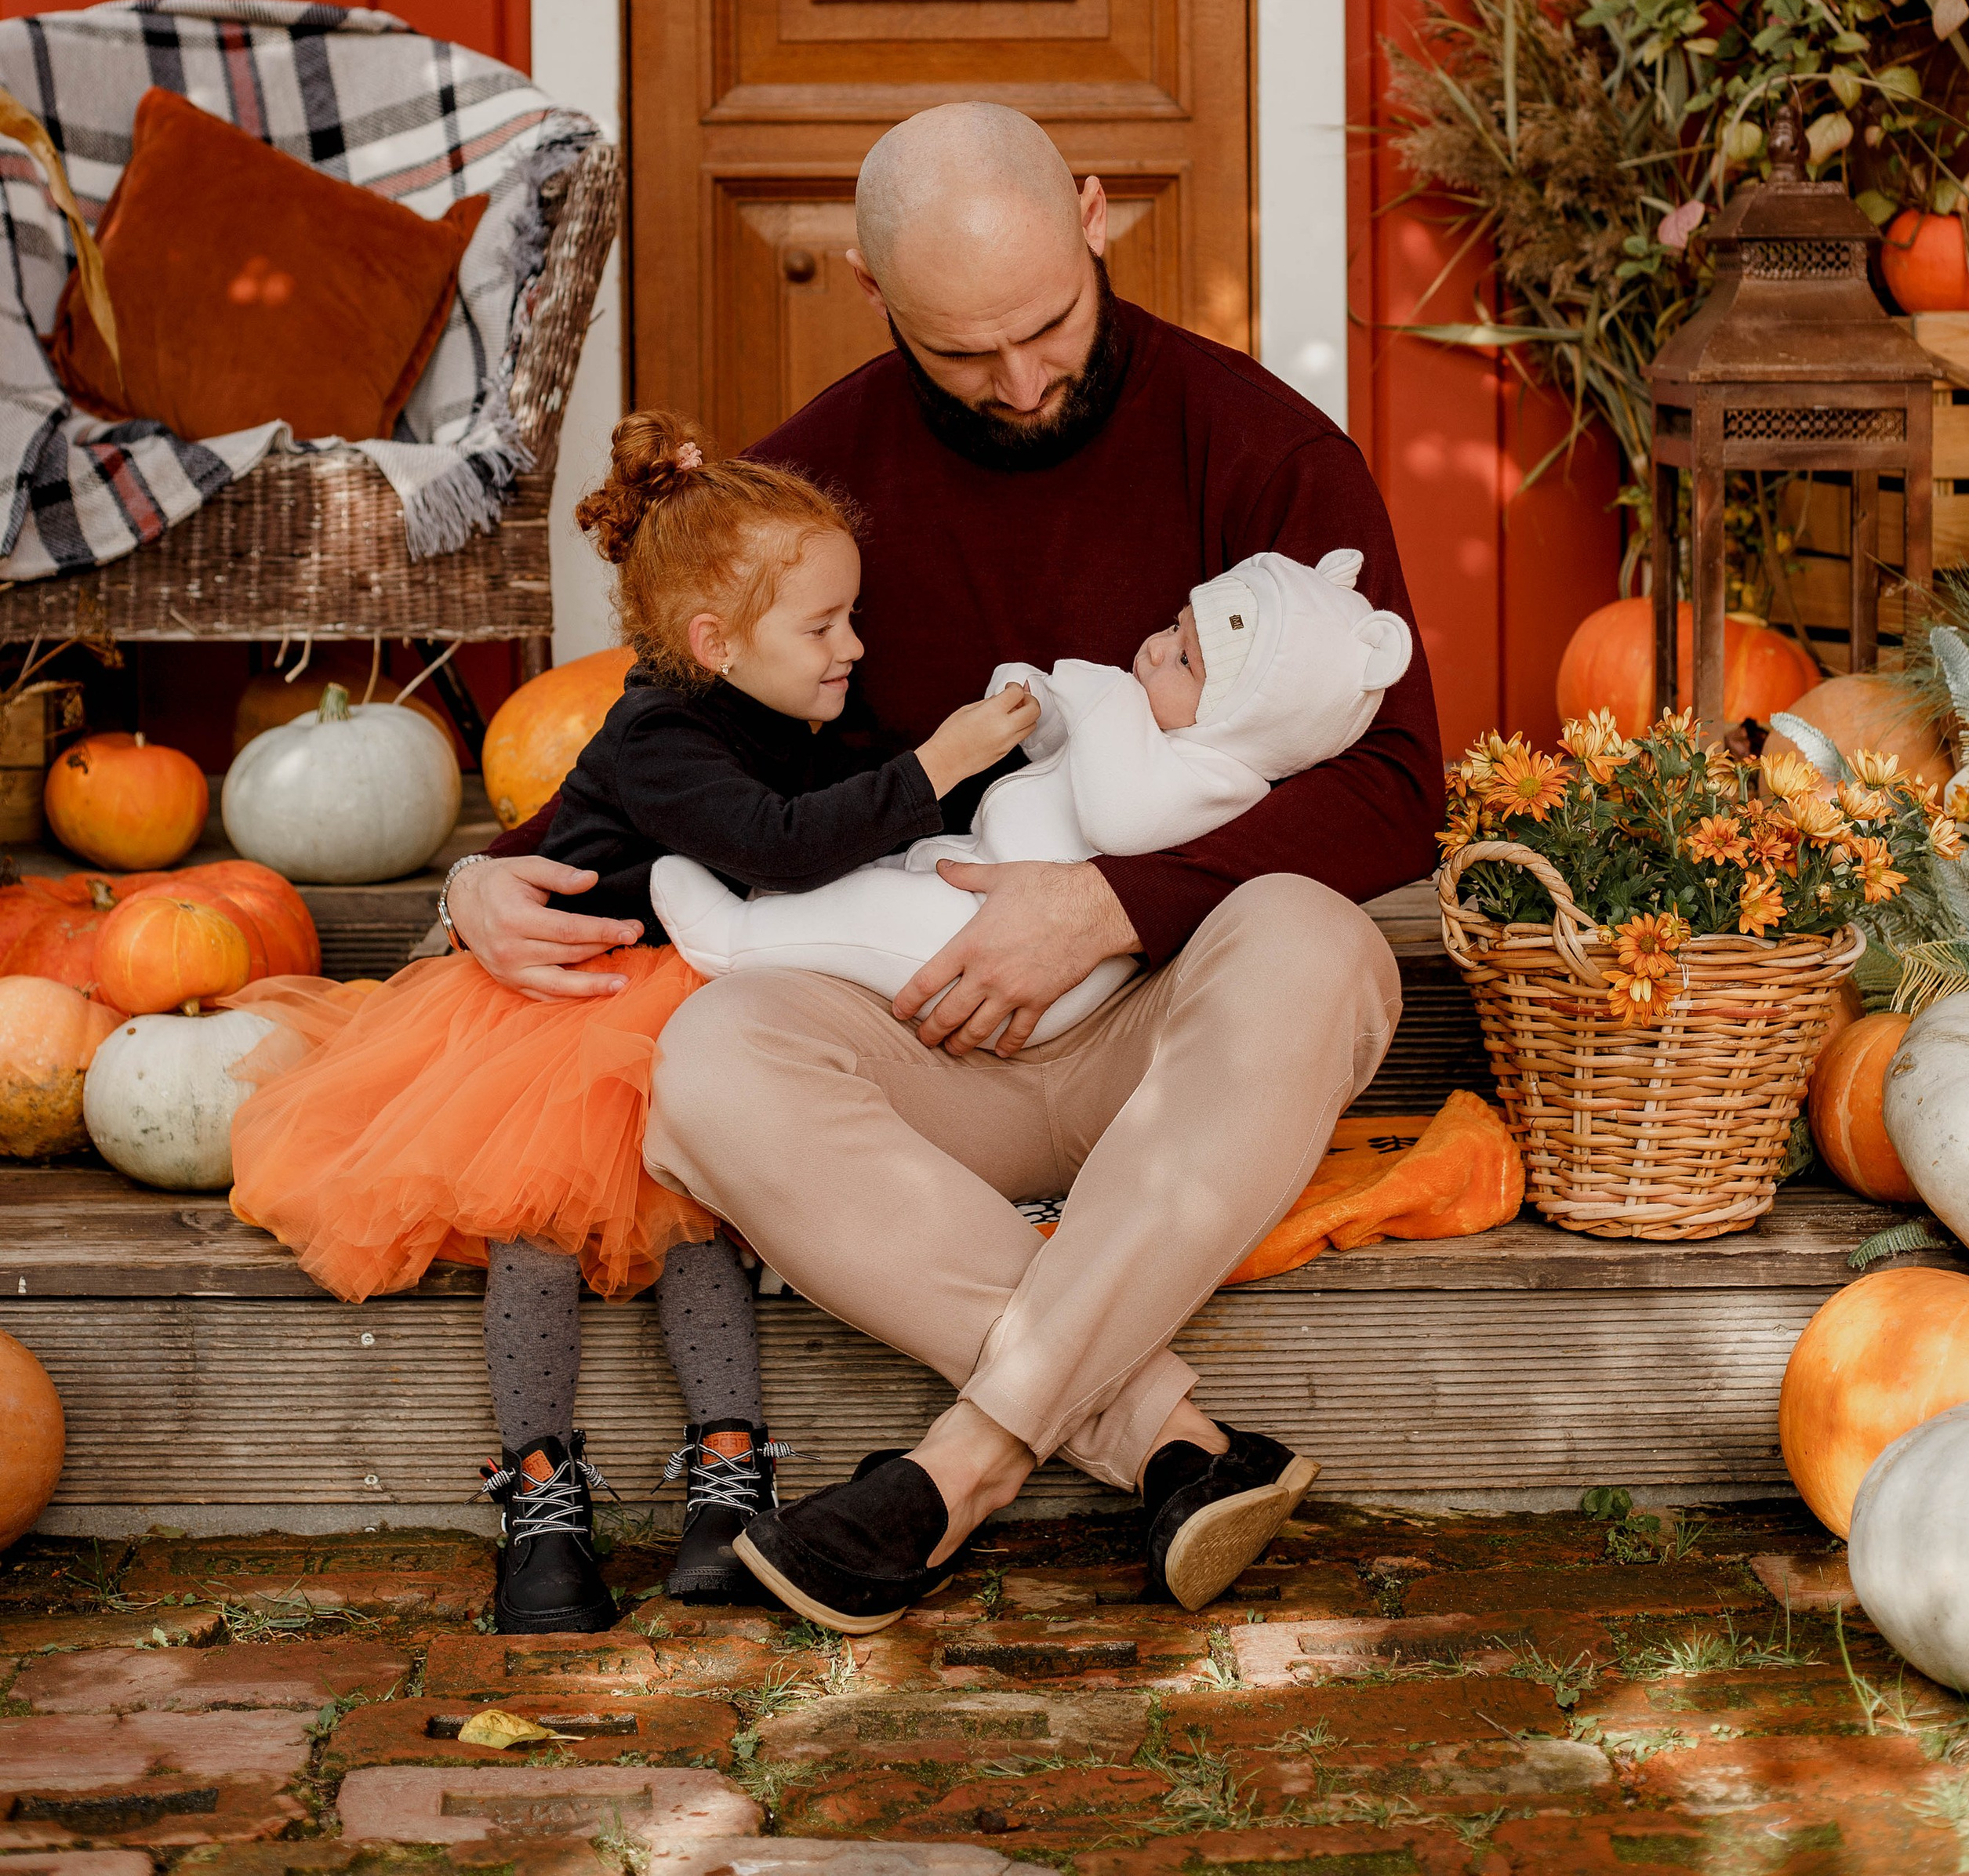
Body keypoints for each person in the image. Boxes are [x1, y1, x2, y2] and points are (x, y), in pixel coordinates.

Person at [445, 102, 1441, 1629]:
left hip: (1177, 1044)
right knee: (709, 1061)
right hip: (924, 1032)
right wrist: (492, 875)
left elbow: (1396, 787)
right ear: (870, 291)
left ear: (1095, 219)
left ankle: (964, 1467)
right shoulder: (813, 481)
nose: (1022, 381)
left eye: (1047, 327)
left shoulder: (1261, 449)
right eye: (966, 352)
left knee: (1317, 944)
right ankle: (1164, 1442)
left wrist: (1106, 904)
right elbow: (670, 745)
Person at [228, 413, 1034, 1631]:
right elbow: (782, 845)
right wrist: (940, 762)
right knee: (535, 1226)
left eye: (850, 619)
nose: (855, 647)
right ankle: (542, 1510)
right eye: (825, 627)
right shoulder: (660, 734)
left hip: (693, 1003)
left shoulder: (778, 703)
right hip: (572, 1011)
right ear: (715, 641)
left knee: (699, 1225)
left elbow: (839, 810)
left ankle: (728, 1483)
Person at [652, 546, 1413, 1046]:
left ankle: (736, 937)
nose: (1155, 648)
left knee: (877, 916)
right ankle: (779, 907)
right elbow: (1066, 765)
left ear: (1242, 718)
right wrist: (1042, 709)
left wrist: (1100, 695)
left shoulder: (1222, 777)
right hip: (979, 877)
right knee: (876, 881)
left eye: (1185, 660)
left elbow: (1119, 818)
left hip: (1011, 957)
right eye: (1172, 627)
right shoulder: (1166, 729)